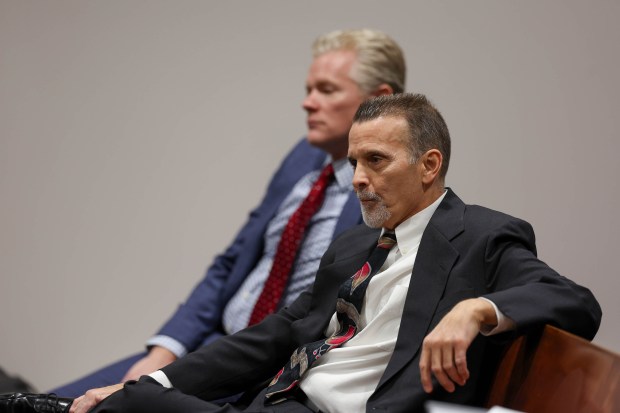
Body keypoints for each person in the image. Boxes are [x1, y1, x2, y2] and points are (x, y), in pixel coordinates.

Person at [60, 93, 601, 413]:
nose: (359, 180)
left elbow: (574, 301)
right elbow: (273, 336)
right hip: (278, 404)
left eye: (377, 161)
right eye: (353, 163)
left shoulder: (482, 236)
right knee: (136, 399)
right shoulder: (353, 248)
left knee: (134, 410)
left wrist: (477, 309)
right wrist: (153, 379)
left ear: (429, 165)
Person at [49, 29, 406, 398]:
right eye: (308, 89)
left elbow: (325, 320)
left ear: (378, 100)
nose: (308, 103)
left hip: (264, 372)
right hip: (205, 343)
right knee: (41, 402)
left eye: (326, 90)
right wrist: (165, 351)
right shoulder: (304, 158)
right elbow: (233, 262)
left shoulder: (392, 194)